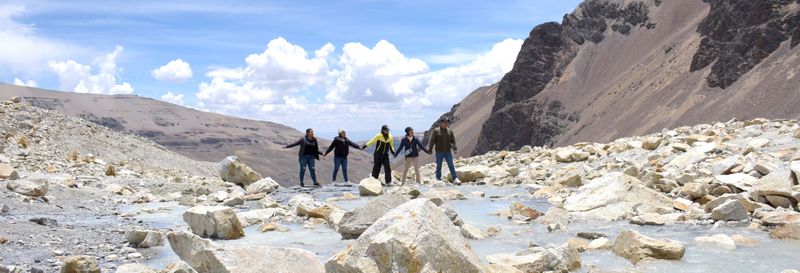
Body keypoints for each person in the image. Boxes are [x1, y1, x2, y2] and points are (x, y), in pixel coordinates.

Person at [428, 118, 460, 183]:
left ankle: (455, 178)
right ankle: (438, 179)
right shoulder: (436, 131)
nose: (446, 124)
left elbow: (453, 141)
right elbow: (432, 141)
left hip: (448, 152)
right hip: (439, 152)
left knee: (451, 165)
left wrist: (455, 149)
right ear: (441, 123)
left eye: (447, 122)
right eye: (445, 122)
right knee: (439, 165)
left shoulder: (450, 131)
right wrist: (430, 149)